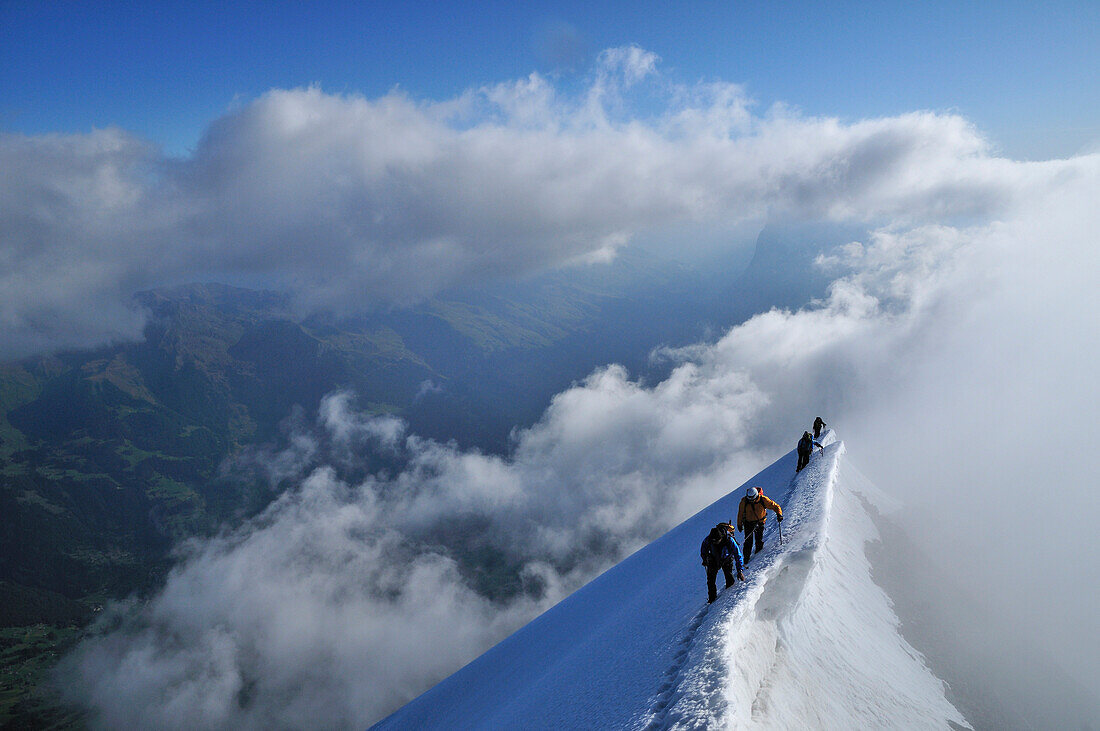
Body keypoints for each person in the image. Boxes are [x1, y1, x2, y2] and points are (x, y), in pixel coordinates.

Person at [700, 523, 744, 603]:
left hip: (726, 559)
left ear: (721, 537)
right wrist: (705, 559)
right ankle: (712, 599)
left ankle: (729, 596)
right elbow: (703, 550)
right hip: (713, 559)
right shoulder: (709, 539)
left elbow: (738, 555)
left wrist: (739, 570)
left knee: (729, 576)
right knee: (710, 580)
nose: (716, 543)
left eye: (717, 541)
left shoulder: (729, 539)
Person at [737, 487, 782, 562]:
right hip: (748, 523)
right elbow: (740, 513)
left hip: (759, 523)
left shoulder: (763, 499)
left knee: (759, 539)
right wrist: (739, 524)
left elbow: (774, 506)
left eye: (752, 499)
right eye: (750, 499)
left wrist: (779, 514)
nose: (751, 501)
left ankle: (758, 555)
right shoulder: (744, 501)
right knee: (748, 542)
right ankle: (746, 559)